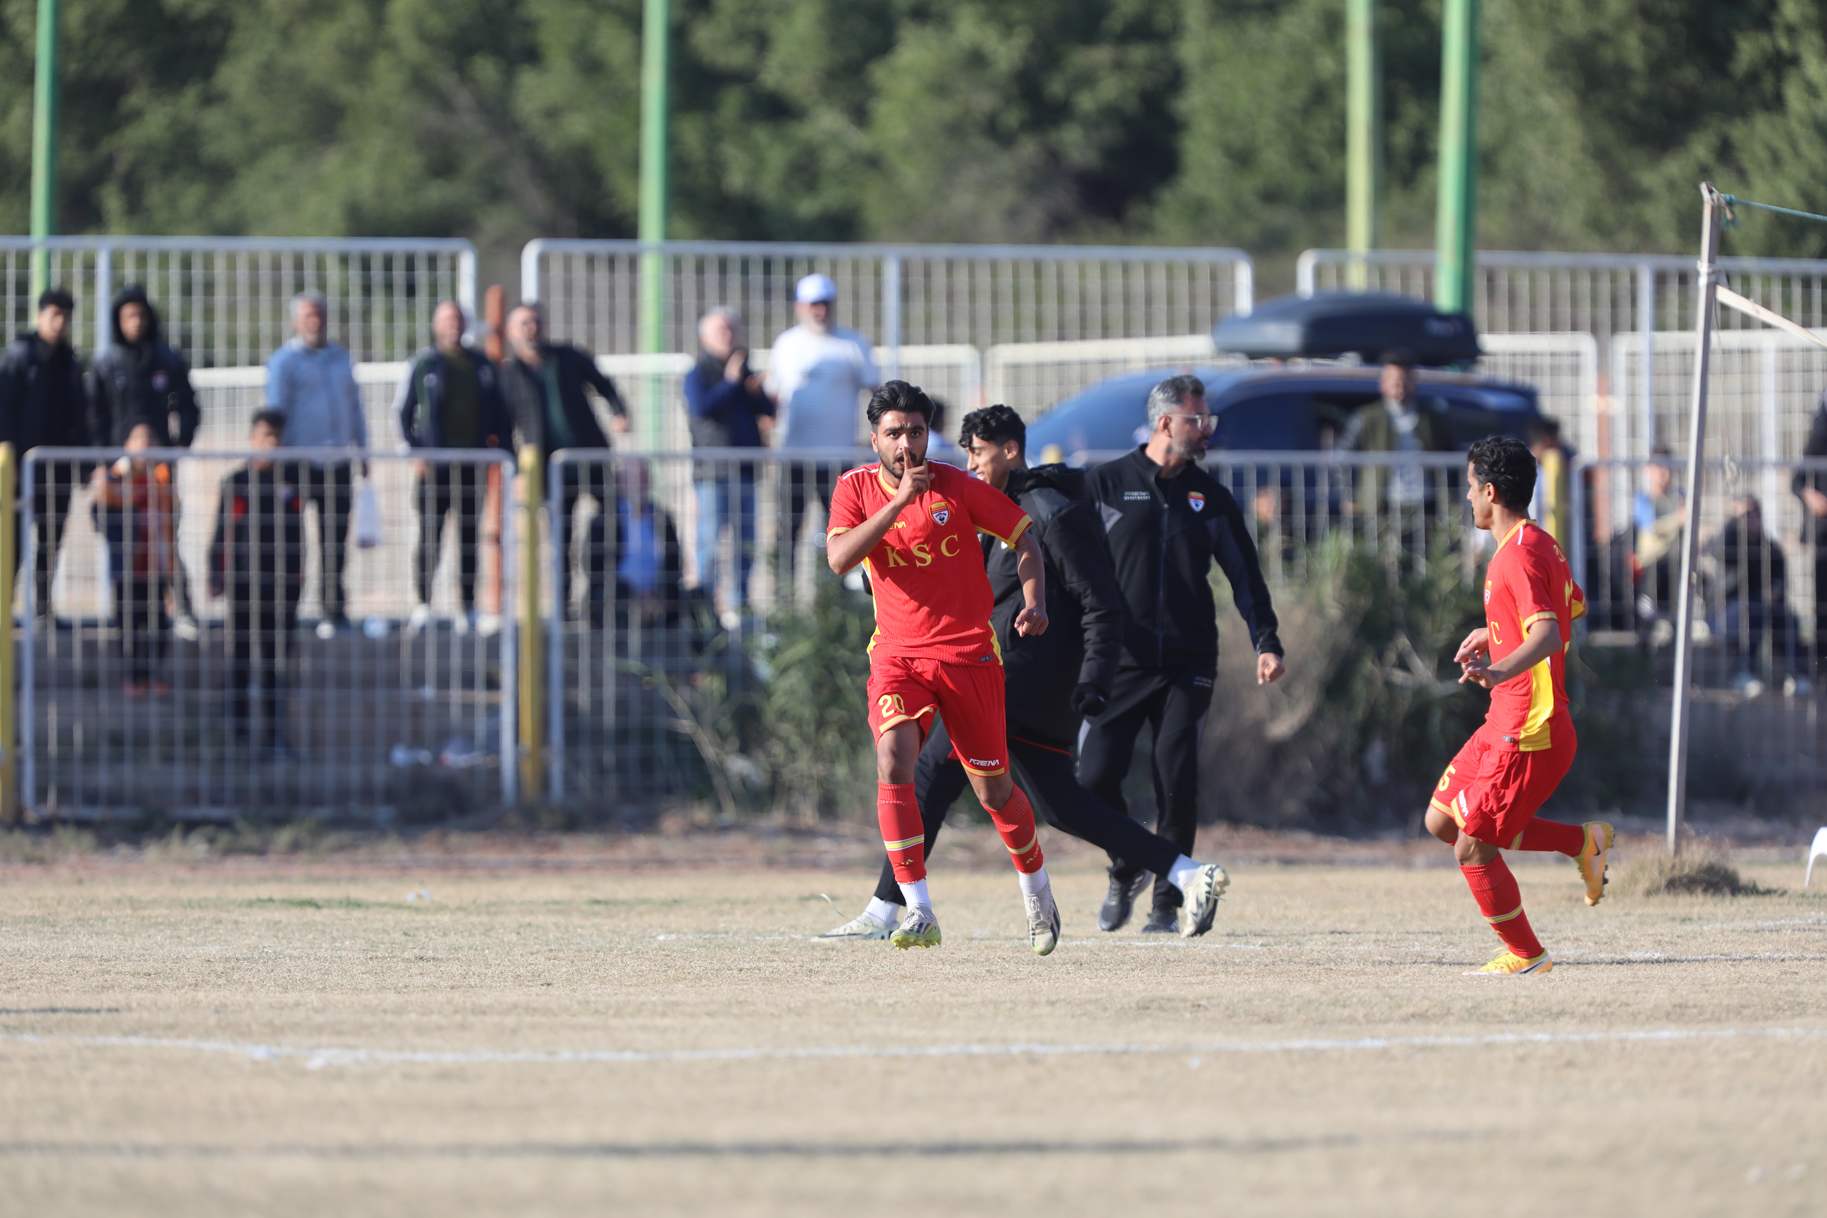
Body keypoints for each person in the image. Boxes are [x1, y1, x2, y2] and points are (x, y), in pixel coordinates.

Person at [818, 405, 1229, 942]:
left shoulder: (1049, 512)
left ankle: (888, 909)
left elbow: (1100, 601)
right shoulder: (975, 498)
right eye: (964, 453)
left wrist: (1095, 678)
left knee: (932, 773)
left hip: (1021, 676)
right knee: (1059, 802)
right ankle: (1185, 872)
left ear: (1009, 451)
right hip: (1003, 670)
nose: (969, 463)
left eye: (978, 452)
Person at [824, 381, 1059, 954]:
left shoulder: (957, 485)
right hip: (898, 655)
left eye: (916, 431)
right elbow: (839, 558)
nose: (906, 443)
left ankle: (1037, 889)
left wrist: (1034, 601)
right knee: (893, 757)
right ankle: (918, 909)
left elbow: (1026, 539)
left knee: (994, 791)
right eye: (894, 433)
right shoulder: (855, 488)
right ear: (874, 439)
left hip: (967, 655)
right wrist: (899, 502)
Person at [1080, 374, 1287, 934]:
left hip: (1187, 664)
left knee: (1176, 779)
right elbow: (1071, 564)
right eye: (1198, 420)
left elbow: (1245, 576)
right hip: (1117, 661)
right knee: (1091, 779)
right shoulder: (1105, 483)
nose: (1207, 430)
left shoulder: (1210, 498)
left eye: (1207, 420)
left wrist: (1266, 640)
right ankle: (1127, 864)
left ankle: (1167, 905)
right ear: (1166, 423)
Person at [1426, 435, 1611, 975]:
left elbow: (1549, 633)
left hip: (1530, 729)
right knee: (1442, 821)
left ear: (1490, 491)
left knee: (1471, 848)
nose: (1466, 498)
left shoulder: (1519, 556)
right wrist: (1498, 631)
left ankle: (1528, 955)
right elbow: (1571, 604)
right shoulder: (1537, 542)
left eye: (1469, 487)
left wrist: (1499, 668)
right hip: (1504, 719)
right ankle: (1582, 843)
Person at [85, 286, 202, 638]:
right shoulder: (107, 364)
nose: (136, 322)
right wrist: (102, 461)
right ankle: (124, 617)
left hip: (159, 471)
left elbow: (188, 405)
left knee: (165, 538)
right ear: (118, 322)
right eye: (128, 316)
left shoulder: (166, 360)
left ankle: (181, 608)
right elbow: (94, 415)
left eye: (140, 315)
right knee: (123, 542)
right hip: (119, 473)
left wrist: (179, 442)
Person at [499, 303, 628, 619]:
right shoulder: (508, 375)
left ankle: (603, 595)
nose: (532, 328)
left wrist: (619, 412)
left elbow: (604, 385)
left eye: (536, 322)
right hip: (549, 468)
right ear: (511, 332)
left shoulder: (568, 357)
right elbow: (503, 427)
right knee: (560, 538)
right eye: (524, 323)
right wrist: (516, 470)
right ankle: (562, 609)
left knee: (613, 520)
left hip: (590, 456)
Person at [396, 300, 513, 637]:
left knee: (469, 537)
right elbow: (403, 413)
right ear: (436, 325)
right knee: (429, 535)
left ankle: (468, 607)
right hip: (435, 469)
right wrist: (417, 453)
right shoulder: (423, 364)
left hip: (472, 466)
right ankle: (423, 605)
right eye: (447, 319)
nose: (453, 325)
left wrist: (505, 454)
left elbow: (500, 414)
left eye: (458, 319)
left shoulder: (482, 365)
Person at [265, 290, 368, 638]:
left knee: (334, 543)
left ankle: (333, 612)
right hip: (297, 464)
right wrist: (276, 460)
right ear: (295, 321)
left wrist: (362, 450)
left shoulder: (341, 357)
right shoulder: (284, 361)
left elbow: (355, 406)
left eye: (319, 314)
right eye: (308, 315)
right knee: (290, 542)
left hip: (337, 463)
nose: (315, 321)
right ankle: (286, 614)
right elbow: (274, 413)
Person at [769, 273, 878, 589]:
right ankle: (785, 596)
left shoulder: (852, 343)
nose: (819, 310)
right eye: (813, 304)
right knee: (788, 530)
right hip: (794, 456)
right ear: (799, 306)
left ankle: (835, 600)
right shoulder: (787, 344)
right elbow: (772, 398)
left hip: (837, 458)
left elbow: (877, 394)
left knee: (841, 532)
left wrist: (876, 438)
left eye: (825, 303)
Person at [209, 411, 305, 755]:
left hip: (282, 588)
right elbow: (222, 531)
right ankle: (238, 738)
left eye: (277, 436)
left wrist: (299, 573)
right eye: (266, 436)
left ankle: (276, 738)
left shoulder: (292, 480)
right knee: (239, 660)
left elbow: (299, 533)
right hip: (242, 585)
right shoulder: (236, 481)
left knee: (276, 664)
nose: (272, 443)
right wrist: (215, 574)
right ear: (253, 439)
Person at [0, 287, 89, 623]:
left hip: (58, 468)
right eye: (55, 314)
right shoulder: (19, 356)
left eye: (66, 316)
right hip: (20, 468)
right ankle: (4, 608)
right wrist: (7, 456)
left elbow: (78, 414)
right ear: (40, 316)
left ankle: (43, 609)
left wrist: (83, 462)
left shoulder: (70, 361)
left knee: (51, 541)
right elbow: (3, 408)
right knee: (11, 541)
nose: (60, 322)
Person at [684, 307, 773, 618]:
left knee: (746, 544)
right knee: (710, 544)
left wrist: (756, 391)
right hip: (713, 473)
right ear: (704, 337)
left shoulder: (744, 371)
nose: (727, 335)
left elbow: (766, 410)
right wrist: (730, 382)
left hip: (746, 472)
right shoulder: (698, 373)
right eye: (720, 330)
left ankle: (740, 605)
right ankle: (705, 611)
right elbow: (702, 407)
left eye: (731, 329)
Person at [91, 424, 177, 695]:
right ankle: (132, 677)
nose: (145, 444)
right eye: (139, 439)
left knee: (159, 623)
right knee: (128, 623)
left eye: (151, 439)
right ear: (127, 445)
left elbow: (173, 516)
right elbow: (99, 514)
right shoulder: (116, 476)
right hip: (127, 565)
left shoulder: (163, 476)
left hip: (156, 564)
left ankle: (153, 675)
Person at [1342, 349, 1451, 547]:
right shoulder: (1366, 418)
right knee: (1383, 556)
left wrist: (1452, 494)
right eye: (1393, 379)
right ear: (1382, 382)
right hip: (1382, 503)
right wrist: (1349, 496)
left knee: (1425, 555)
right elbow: (1343, 458)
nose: (1399, 385)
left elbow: (1451, 454)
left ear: (1414, 382)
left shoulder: (1433, 417)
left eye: (1405, 379)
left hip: (1425, 502)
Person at [1707, 496, 1810, 697]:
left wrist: (1776, 590)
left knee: (1785, 616)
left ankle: (1799, 675)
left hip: (1761, 607)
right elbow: (1716, 550)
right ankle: (1743, 674)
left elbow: (1780, 578)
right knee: (1752, 610)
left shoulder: (1769, 547)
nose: (1752, 520)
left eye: (1756, 515)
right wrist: (1734, 518)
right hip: (1725, 611)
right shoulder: (1730, 542)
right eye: (1747, 516)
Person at [590, 458, 688, 635]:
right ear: (620, 483)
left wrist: (658, 594)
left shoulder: (661, 517)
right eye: (633, 478)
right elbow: (593, 566)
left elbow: (675, 562)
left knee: (696, 599)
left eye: (643, 478)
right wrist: (634, 596)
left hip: (659, 594)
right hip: (619, 594)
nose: (639, 484)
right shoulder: (604, 519)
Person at [1633, 445, 1684, 635]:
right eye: (1659, 467)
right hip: (1652, 566)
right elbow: (1651, 530)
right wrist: (1677, 520)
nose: (1664, 472)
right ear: (1649, 470)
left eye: (1667, 467)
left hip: (1676, 564)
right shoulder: (1643, 499)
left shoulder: (1680, 497)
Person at [1794, 395, 1827, 683]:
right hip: (1824, 534)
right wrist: (1811, 496)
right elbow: (1797, 481)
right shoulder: (1819, 436)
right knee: (1823, 602)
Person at [1526, 418, 1572, 548]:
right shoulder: (1532, 471)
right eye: (1557, 439)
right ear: (1547, 439)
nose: (1560, 445)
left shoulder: (1542, 469)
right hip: (1534, 540)